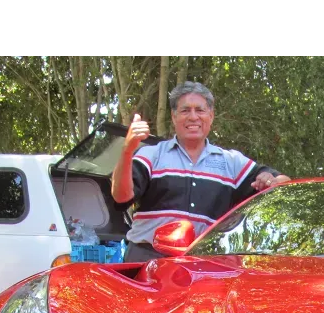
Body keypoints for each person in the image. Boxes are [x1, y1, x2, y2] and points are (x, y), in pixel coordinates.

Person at [111, 81, 291, 262]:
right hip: (147, 258)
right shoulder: (151, 155)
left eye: (200, 110)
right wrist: (127, 149)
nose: (193, 117)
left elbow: (284, 184)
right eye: (185, 110)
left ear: (211, 116)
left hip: (205, 265)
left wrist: (270, 181)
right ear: (174, 117)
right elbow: (120, 196)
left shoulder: (232, 162)